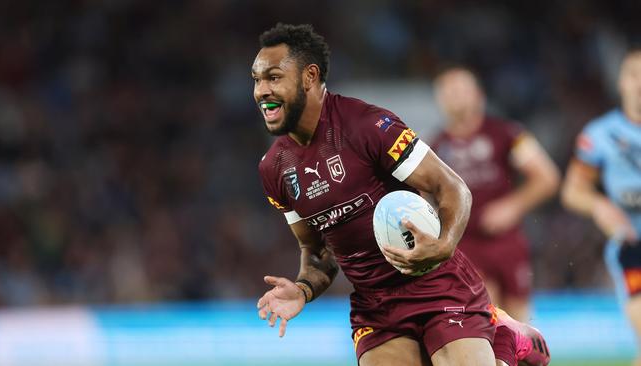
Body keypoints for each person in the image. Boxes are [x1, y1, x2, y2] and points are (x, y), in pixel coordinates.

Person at [253, 23, 550, 366]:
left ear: (309, 76)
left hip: (437, 283)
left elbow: (452, 188)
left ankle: (505, 344)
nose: (261, 90)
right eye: (256, 80)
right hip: (375, 306)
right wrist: (303, 289)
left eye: (273, 77)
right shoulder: (273, 169)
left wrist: (443, 246)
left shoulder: (367, 125)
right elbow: (317, 252)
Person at [430, 67, 560, 322]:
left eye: (461, 90)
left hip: (506, 241)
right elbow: (424, 198)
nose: (454, 96)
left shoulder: (507, 133)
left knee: (519, 321)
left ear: (479, 95)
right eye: (448, 91)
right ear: (440, 100)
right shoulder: (434, 147)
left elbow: (548, 177)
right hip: (465, 244)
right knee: (485, 316)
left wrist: (513, 206)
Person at [561, 49, 641, 366]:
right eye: (634, 74)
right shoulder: (601, 134)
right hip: (634, 248)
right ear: (621, 82)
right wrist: (598, 206)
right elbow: (572, 190)